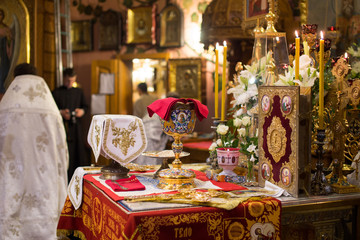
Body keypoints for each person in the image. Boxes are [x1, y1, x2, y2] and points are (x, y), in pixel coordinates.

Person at [0, 63, 68, 239]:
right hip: (45, 175)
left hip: (12, 175)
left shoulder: (5, 108)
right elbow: (62, 149)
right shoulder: (51, 109)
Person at [52, 68, 89, 180]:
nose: (70, 83)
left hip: (76, 127)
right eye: (68, 81)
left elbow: (85, 107)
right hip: (62, 126)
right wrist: (61, 112)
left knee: (77, 152)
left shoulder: (79, 92)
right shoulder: (56, 92)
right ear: (64, 78)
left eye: (72, 81)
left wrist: (81, 112)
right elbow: (52, 109)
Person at [0, 8, 13, 94]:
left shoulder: (6, 28)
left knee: (3, 71)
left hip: (2, 54)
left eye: (0, 15)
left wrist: (9, 52)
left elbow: (9, 42)